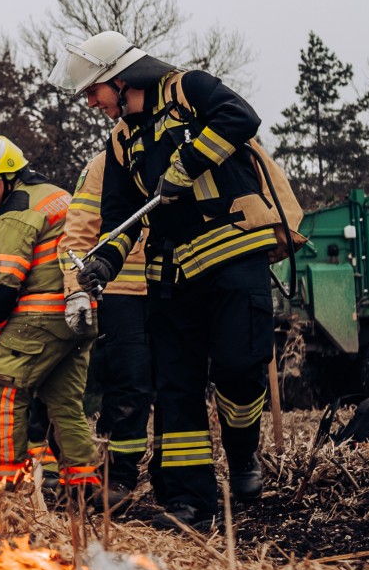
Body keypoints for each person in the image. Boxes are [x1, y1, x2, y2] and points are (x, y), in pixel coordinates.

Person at [57, 30, 274, 531]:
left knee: (240, 370)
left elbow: (241, 118)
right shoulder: (120, 141)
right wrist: (103, 265)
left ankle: (243, 453)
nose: (92, 102)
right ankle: (188, 502)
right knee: (176, 390)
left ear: (120, 78)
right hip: (170, 277)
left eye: (94, 91)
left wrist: (189, 162)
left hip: (232, 258)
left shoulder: (188, 90)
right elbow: (119, 219)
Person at [0, 135, 101, 498]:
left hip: (39, 317)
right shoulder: (56, 194)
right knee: (65, 402)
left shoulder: (16, 212)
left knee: (6, 391)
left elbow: (6, 287)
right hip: (77, 313)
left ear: (10, 175)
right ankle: (83, 484)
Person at [72, 151, 153, 507]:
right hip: (121, 291)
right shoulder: (108, 161)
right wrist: (74, 288)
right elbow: (79, 228)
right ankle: (119, 475)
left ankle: (175, 476)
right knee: (128, 385)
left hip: (181, 286)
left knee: (178, 385)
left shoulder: (197, 139)